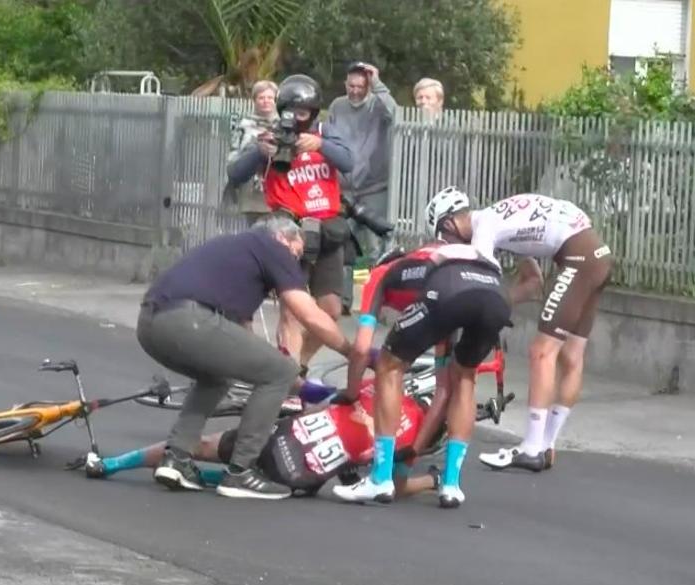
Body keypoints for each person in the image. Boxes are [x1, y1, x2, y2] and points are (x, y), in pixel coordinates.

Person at [139, 216, 363, 500]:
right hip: (188, 319)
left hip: (151, 323)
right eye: (297, 251)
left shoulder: (236, 255)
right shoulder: (272, 246)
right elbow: (308, 314)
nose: (296, 261)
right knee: (279, 371)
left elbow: (246, 352)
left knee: (217, 378)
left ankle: (176, 458)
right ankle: (241, 471)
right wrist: (353, 352)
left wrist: (299, 386)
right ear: (284, 238)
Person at [424, 187, 613, 472]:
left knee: (541, 352)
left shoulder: (484, 228)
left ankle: (531, 448)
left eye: (443, 235)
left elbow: (479, 281)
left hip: (578, 257)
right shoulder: (501, 220)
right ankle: (546, 446)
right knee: (572, 357)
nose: (447, 242)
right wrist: (503, 303)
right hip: (596, 253)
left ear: (450, 223)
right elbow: (533, 281)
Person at [333, 243, 512, 508]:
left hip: (447, 293)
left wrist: (350, 393)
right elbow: (443, 390)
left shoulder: (381, 275)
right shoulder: (432, 260)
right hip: (496, 296)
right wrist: (411, 457)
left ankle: (380, 479)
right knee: (464, 379)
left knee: (388, 366)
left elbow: (360, 349)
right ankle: (451, 485)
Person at [80, 376, 443, 499]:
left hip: (282, 437)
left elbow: (329, 404)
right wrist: (431, 481)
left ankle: (111, 464)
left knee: (198, 447)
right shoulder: (410, 445)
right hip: (298, 474)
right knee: (223, 471)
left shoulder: (381, 387)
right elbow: (394, 486)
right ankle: (198, 476)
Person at [227, 74, 353, 376]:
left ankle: (301, 365)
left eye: (304, 113)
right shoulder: (270, 135)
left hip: (326, 228)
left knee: (331, 310)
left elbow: (349, 162)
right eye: (292, 112)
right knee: (292, 311)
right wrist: (261, 151)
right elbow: (236, 173)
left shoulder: (325, 133)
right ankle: (288, 374)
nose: (298, 120)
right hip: (290, 230)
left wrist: (320, 145)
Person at [328, 62, 398, 314]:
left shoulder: (377, 104)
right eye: (351, 86)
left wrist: (378, 83)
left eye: (361, 86)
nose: (355, 91)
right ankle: (346, 300)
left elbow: (394, 113)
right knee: (346, 245)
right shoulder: (337, 106)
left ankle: (370, 301)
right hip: (344, 187)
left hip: (374, 187)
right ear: (345, 84)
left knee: (372, 248)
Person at [224, 80, 279, 226]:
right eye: (261, 98)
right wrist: (256, 150)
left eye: (269, 98)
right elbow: (233, 159)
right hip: (252, 191)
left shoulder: (283, 126)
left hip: (278, 188)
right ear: (254, 100)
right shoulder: (243, 125)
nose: (265, 102)